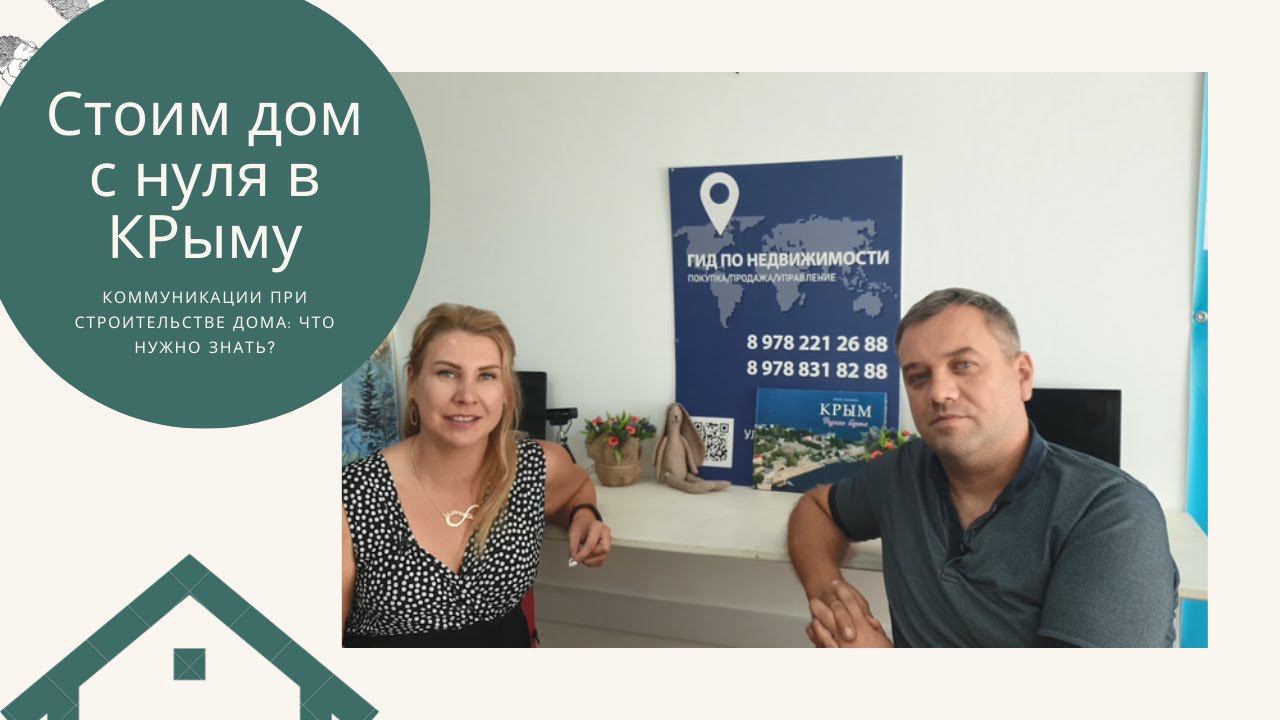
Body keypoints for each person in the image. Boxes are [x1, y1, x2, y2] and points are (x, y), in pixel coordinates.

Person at [787, 288, 1179, 647]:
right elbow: (817, 509)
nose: (939, 393)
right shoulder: (903, 472)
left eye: (963, 365)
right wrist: (829, 593)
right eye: (918, 377)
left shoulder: (1112, 513)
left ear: (1022, 375)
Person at [342, 303, 612, 647]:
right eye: (447, 373)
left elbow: (577, 488)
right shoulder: (351, 495)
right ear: (413, 382)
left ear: (505, 393)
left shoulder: (533, 467)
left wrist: (584, 514)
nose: (466, 396)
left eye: (486, 376)